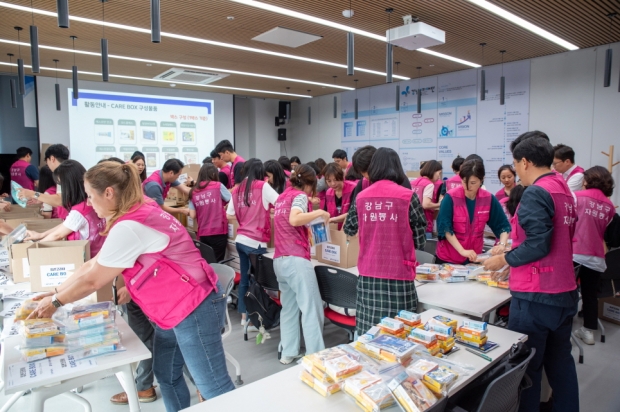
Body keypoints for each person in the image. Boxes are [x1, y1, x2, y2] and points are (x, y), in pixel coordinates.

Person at [27, 161, 235, 412]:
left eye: (91, 196)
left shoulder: (129, 225)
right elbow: (93, 264)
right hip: (172, 308)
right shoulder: (137, 209)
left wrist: (56, 303)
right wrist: (57, 291)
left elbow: (94, 279)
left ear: (109, 193)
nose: (90, 203)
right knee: (166, 375)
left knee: (215, 388)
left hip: (193, 307)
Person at [483, 133, 579, 412]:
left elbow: (539, 242)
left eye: (515, 166)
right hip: (564, 290)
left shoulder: (537, 191)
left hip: (537, 295)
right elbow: (556, 237)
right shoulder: (563, 189)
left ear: (525, 162)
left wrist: (506, 260)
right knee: (561, 364)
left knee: (527, 369)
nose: (516, 174)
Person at [344, 148, 427, 336]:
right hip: (400, 274)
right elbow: (421, 238)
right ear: (397, 167)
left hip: (369, 275)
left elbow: (349, 228)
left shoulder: (361, 197)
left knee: (369, 333)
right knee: (400, 333)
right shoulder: (407, 196)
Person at [273, 164, 329, 364]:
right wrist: (319, 212)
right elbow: (295, 219)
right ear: (310, 183)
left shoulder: (281, 198)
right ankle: (314, 356)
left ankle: (289, 352)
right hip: (296, 259)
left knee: (288, 309)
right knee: (311, 308)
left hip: (279, 260)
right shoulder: (300, 197)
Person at [226, 159, 279, 326]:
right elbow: (280, 202)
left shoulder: (237, 189)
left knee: (244, 280)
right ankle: (257, 318)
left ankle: (244, 317)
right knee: (259, 282)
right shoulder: (262, 186)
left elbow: (229, 214)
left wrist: (245, 218)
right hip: (255, 241)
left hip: (240, 240)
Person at [435, 160, 510, 264]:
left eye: (473, 183)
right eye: (464, 181)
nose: (467, 186)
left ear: (482, 179)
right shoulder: (451, 198)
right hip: (449, 259)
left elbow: (503, 225)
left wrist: (502, 244)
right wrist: (462, 251)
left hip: (474, 258)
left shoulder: (488, 198)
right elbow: (445, 228)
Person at [25, 160, 106, 256]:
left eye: (61, 185)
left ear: (69, 185)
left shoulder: (80, 210)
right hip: (98, 253)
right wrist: (41, 235)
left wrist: (34, 247)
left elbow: (58, 235)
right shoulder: (91, 201)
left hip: (86, 256)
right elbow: (67, 225)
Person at [572, 166, 615, 345]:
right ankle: (589, 331)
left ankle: (564, 328)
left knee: (568, 293)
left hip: (574, 253)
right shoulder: (610, 206)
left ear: (588, 180)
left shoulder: (576, 197)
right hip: (596, 257)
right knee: (590, 295)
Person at [189, 163, 231, 263]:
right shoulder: (218, 186)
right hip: (218, 231)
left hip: (203, 233)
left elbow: (192, 215)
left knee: (208, 262)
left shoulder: (193, 191)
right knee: (218, 262)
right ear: (213, 173)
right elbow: (232, 201)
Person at [17, 144, 69, 208]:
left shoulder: (61, 174)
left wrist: (32, 194)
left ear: (52, 159)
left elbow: (59, 201)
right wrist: (43, 199)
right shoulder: (72, 169)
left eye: (46, 160)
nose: (47, 164)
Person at [411, 160, 443, 239]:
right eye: (438, 173)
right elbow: (426, 204)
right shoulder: (429, 184)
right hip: (424, 222)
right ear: (433, 171)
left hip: (413, 222)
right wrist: (441, 204)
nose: (439, 177)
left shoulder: (413, 182)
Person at [323, 163, 356, 230]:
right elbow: (325, 212)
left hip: (349, 230)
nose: (333, 184)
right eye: (329, 181)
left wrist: (333, 219)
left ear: (342, 177)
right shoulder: (328, 193)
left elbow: (353, 213)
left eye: (335, 180)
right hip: (334, 231)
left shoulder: (353, 188)